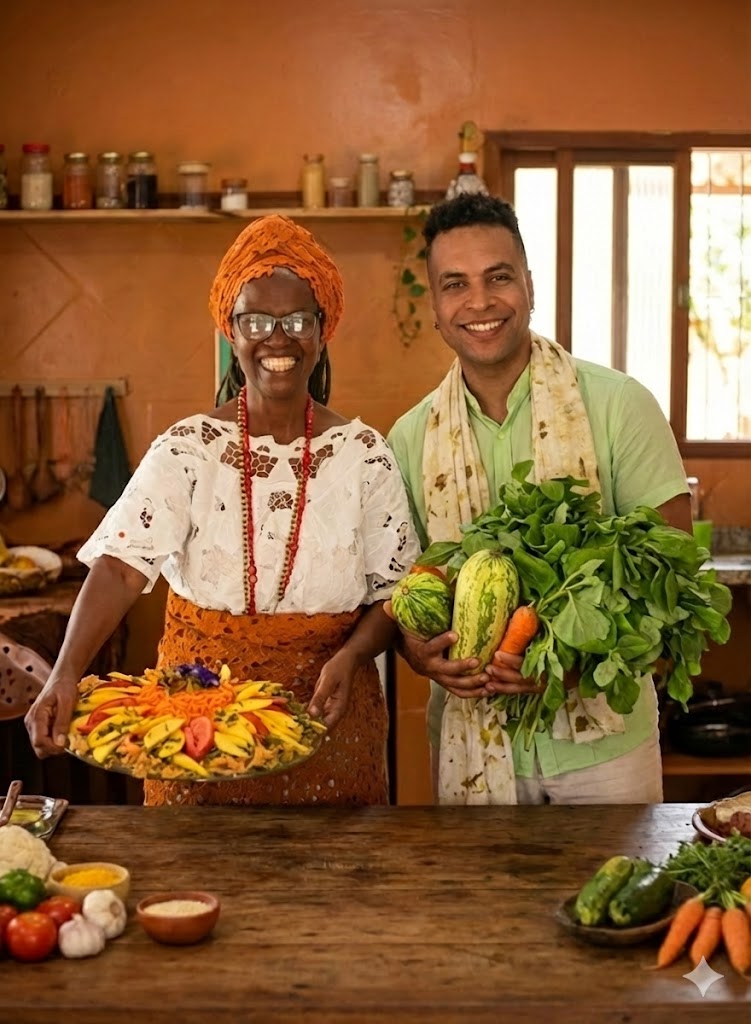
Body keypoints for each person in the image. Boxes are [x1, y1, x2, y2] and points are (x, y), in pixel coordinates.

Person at [25, 214, 421, 807]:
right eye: (256, 320)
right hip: (193, 730)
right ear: (231, 332)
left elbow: (396, 594)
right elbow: (119, 567)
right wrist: (64, 673)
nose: (277, 338)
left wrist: (355, 652)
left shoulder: (364, 455)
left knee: (336, 890)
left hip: (330, 722)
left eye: (296, 320)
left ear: (322, 330)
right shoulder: (187, 450)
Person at [386, 192, 692, 806]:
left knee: (616, 899)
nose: (479, 302)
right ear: (438, 309)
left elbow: (673, 568)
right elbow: (400, 591)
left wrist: (571, 659)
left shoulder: (618, 405)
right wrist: (417, 651)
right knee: (485, 905)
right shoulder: (409, 439)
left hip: (604, 747)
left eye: (498, 277)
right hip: (470, 741)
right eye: (455, 284)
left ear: (529, 285)